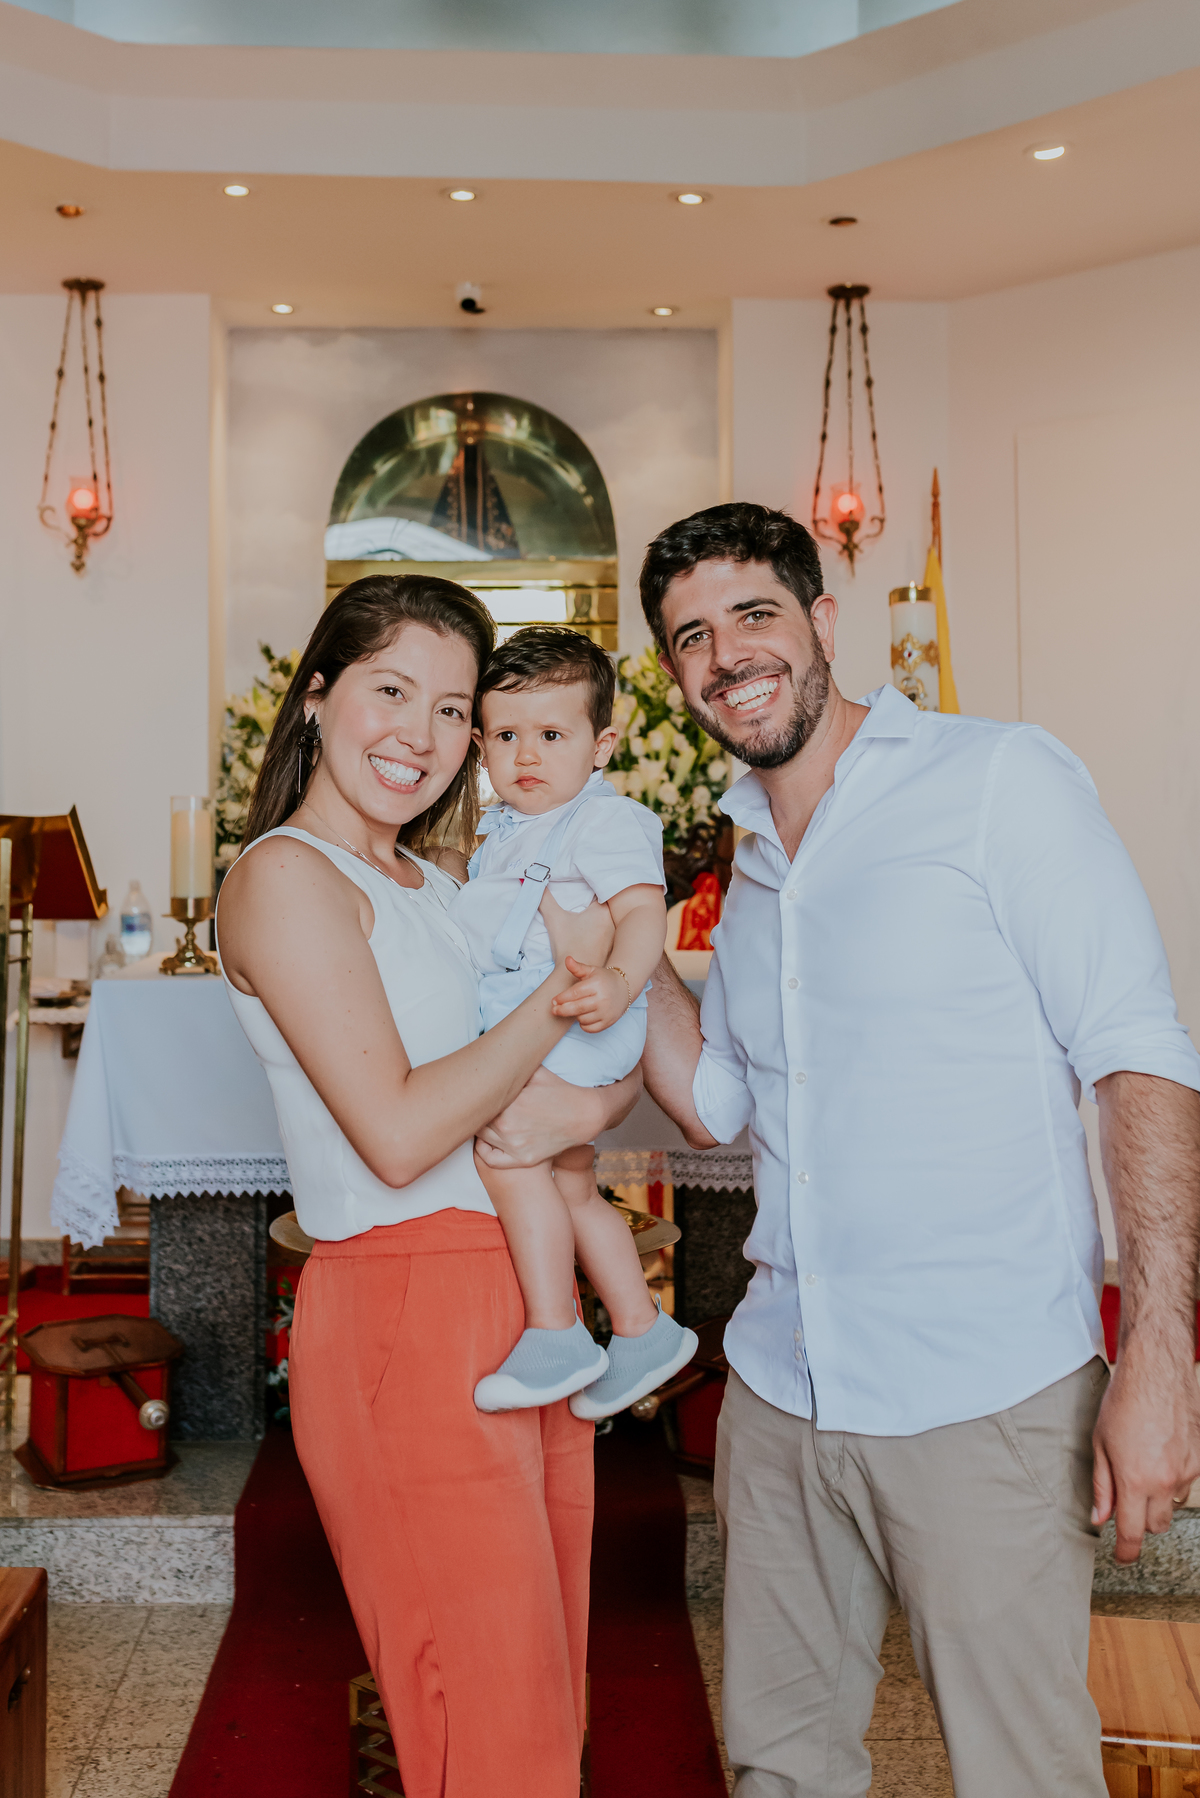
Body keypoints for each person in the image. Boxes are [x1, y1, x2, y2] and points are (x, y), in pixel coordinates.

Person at [478, 503, 1200, 1798]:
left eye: (753, 613)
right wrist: (608, 937)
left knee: (1020, 1773)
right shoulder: (745, 868)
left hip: (984, 1392)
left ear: (821, 620)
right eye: (690, 635)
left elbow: (1137, 1052)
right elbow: (717, 1101)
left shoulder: (998, 780)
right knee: (780, 1770)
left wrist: (1158, 1347)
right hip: (781, 1392)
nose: (725, 653)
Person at [216, 575, 638, 1798]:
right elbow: (398, 1132)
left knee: (545, 1720)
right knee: (486, 1729)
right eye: (391, 690)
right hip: (405, 1307)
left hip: (523, 1302)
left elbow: (576, 1097)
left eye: (454, 710)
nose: (424, 734)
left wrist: (596, 1035)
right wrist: (564, 1000)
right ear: (315, 695)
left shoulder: (444, 888)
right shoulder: (285, 878)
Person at [448, 626, 698, 1417]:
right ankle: (640, 1326)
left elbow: (640, 912)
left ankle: (556, 1329)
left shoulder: (604, 820)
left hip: (584, 1016)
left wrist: (622, 982)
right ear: (481, 745)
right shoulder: (499, 831)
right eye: (508, 737)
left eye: (552, 736)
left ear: (601, 745)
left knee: (507, 1156)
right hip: (545, 1016)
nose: (527, 756)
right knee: (570, 1178)